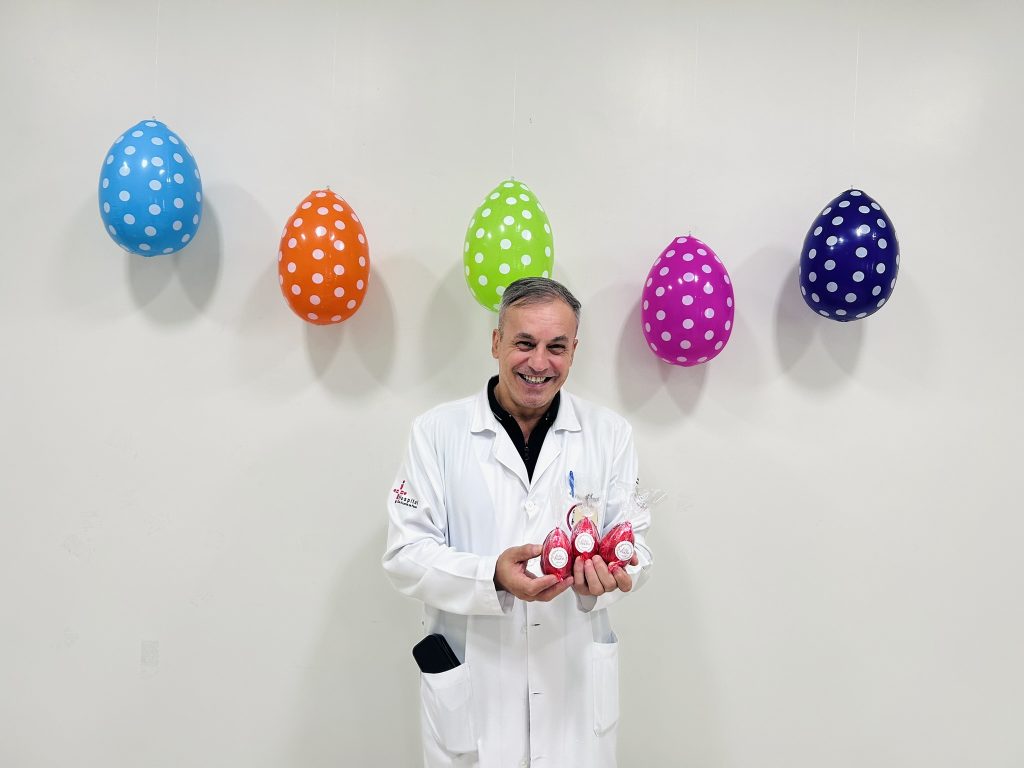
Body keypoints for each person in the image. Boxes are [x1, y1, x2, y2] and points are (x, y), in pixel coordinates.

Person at [383, 277, 653, 768]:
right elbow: (405, 554)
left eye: (557, 347)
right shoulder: (436, 433)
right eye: (524, 343)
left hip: (573, 686)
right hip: (476, 694)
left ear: (574, 351)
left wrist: (607, 579)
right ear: (496, 343)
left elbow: (637, 549)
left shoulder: (610, 434)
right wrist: (492, 575)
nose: (539, 363)